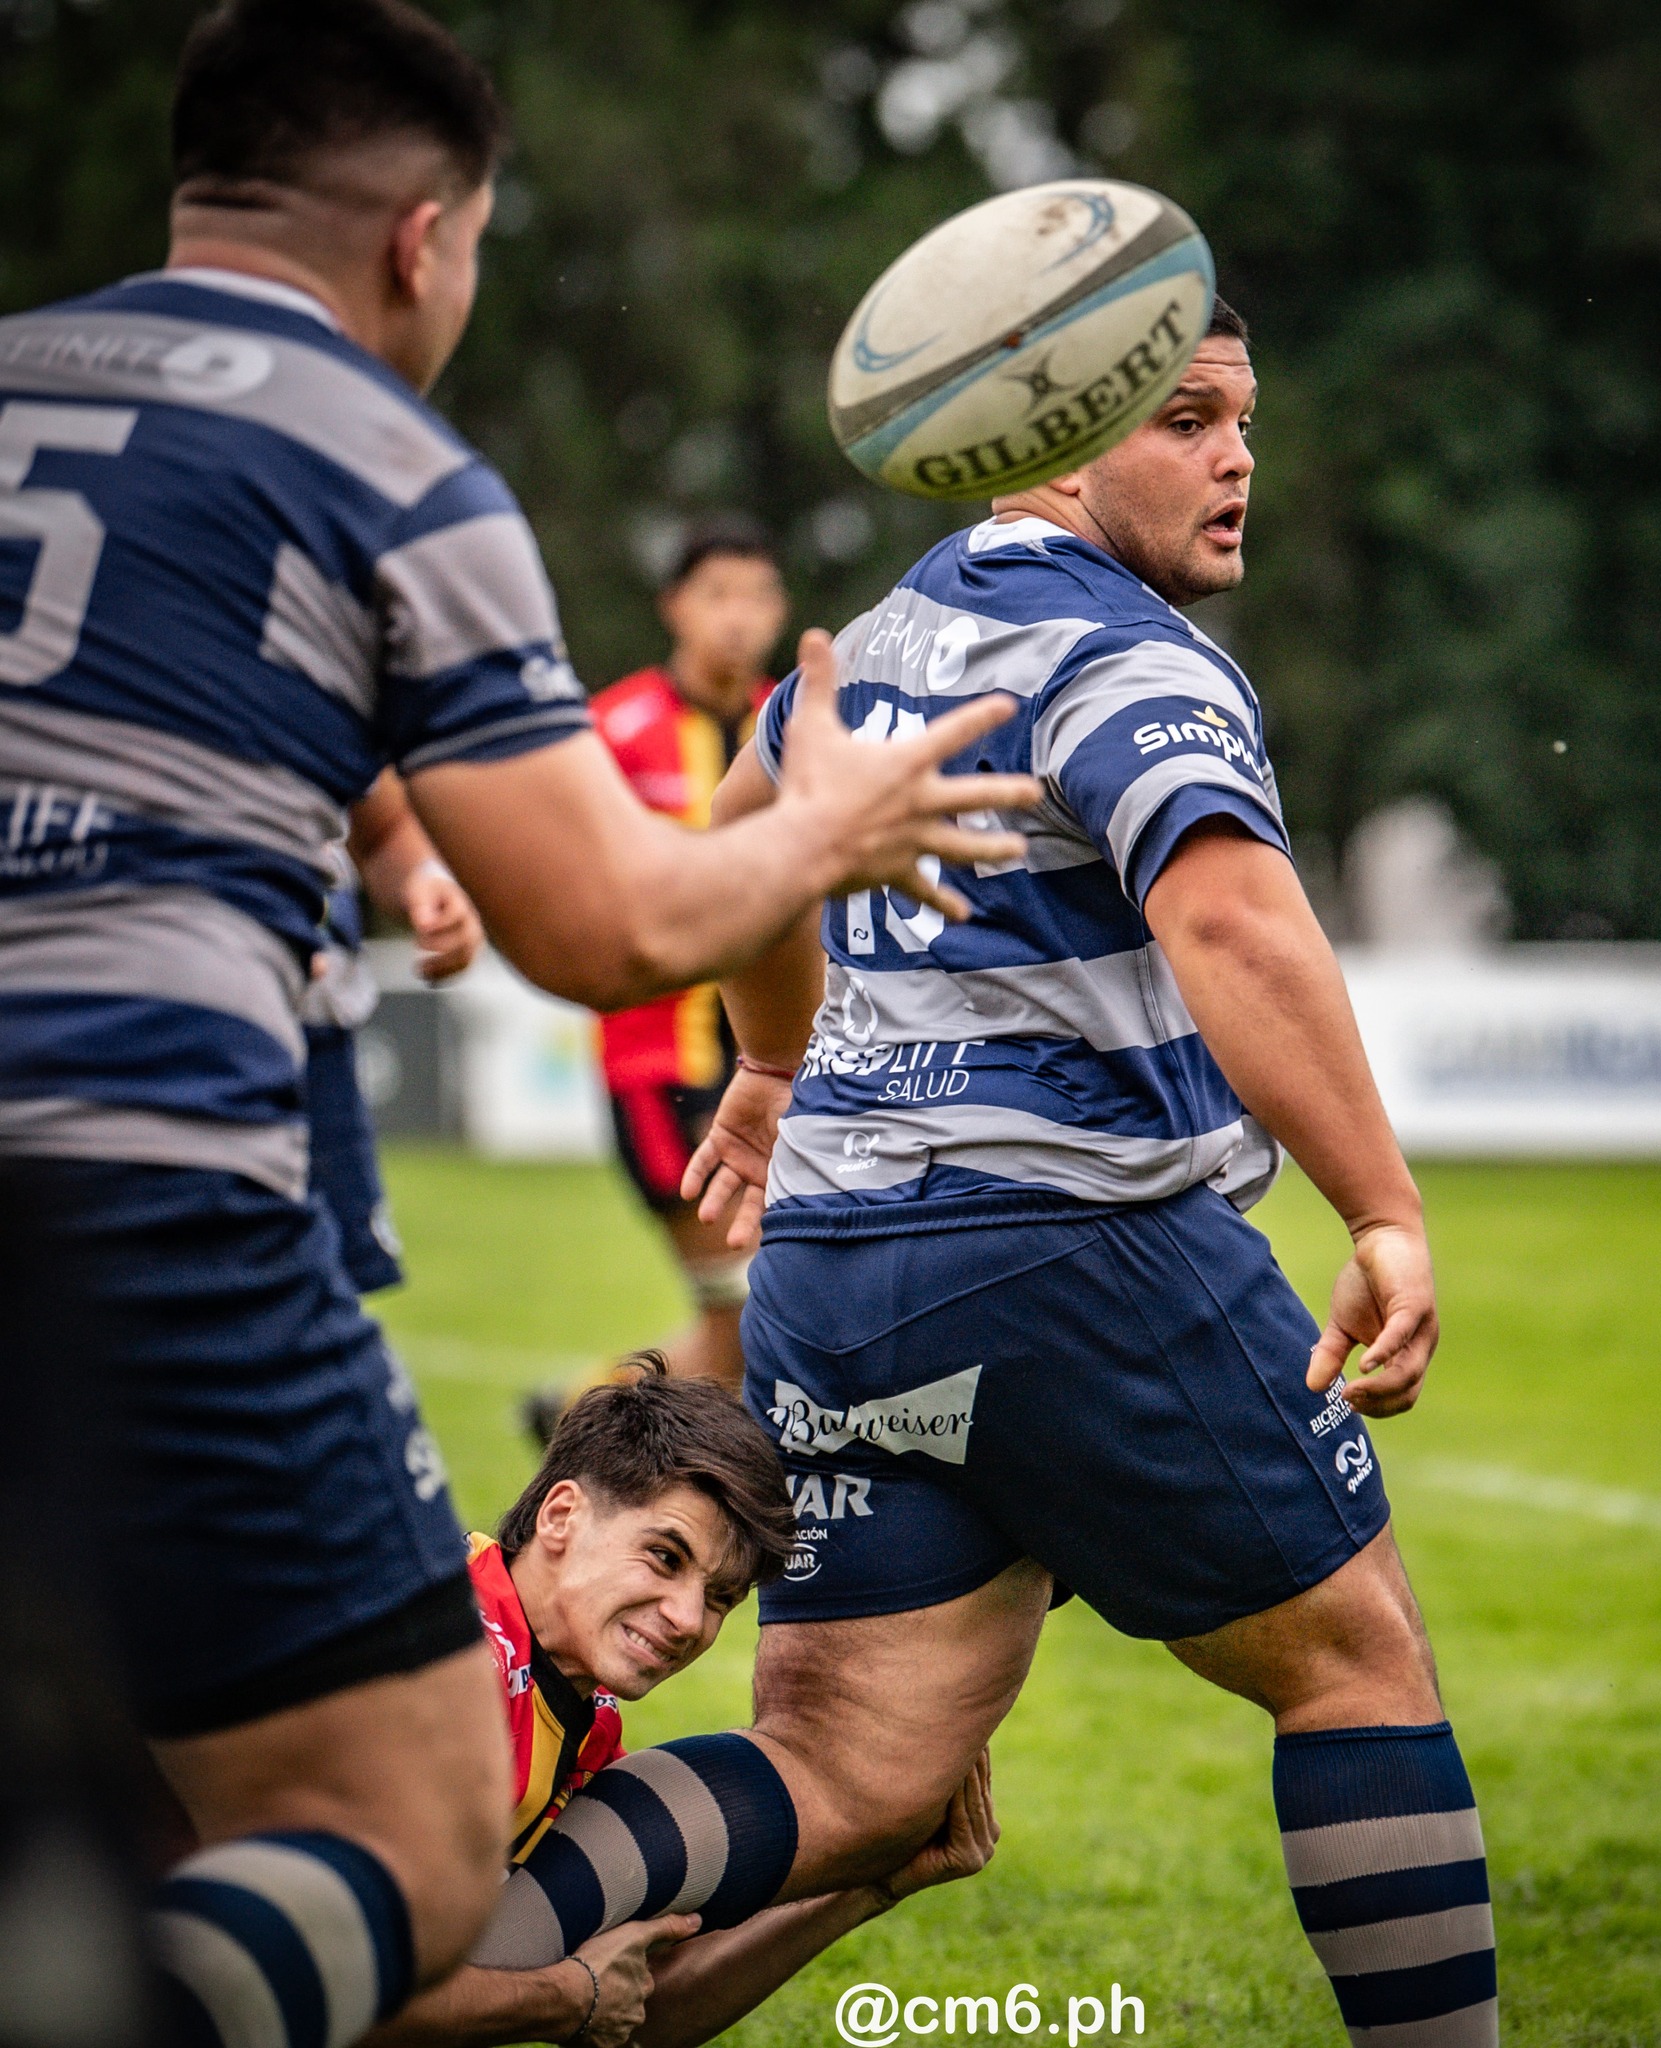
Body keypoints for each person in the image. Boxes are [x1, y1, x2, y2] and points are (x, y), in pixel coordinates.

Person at [0, 2, 1034, 2041]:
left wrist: (385, 843)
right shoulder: (384, 455)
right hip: (130, 1200)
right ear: (426, 240)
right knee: (400, 1847)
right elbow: (615, 926)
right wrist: (819, 824)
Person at [490, 300, 1500, 2048]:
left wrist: (776, 1064)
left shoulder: (872, 636)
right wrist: (1385, 1208)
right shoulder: (1129, 655)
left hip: (833, 1269)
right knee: (1354, 1663)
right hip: (1070, 1244)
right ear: (1053, 439)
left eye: (1242, 417)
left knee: (854, 1771)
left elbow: (745, 844)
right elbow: (1232, 919)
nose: (1236, 454)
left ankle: (441, 1962)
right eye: (1185, 418)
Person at [372, 1363, 997, 2048]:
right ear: (561, 1515)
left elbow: (634, 2013)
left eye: (721, 1597)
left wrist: (871, 1885)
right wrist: (564, 1998)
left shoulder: (583, 1714)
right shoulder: (449, 1673)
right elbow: (320, 2003)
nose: (687, 1618)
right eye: (665, 1557)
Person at [524, 521, 789, 1441]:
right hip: (661, 1067)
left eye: (758, 596)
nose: (738, 618)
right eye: (718, 594)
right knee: (749, 1319)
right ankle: (594, 1440)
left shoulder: (791, 722)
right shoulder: (614, 729)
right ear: (675, 605)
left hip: (776, 1058)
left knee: (747, 1321)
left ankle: (576, 1412)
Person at [310, 768, 483, 1295]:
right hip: (173, 1044)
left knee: (330, 1298)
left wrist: (424, 880)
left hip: (316, 1043)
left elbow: (383, 828)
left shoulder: (338, 686)